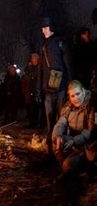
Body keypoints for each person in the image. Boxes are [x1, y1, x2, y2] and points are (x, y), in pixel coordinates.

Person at [38, 17, 73, 154]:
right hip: (49, 90)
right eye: (42, 28)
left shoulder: (60, 42)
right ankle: (51, 149)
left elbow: (69, 66)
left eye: (45, 27)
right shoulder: (43, 45)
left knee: (61, 119)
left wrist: (70, 85)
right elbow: (41, 69)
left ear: (51, 28)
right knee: (50, 121)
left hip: (61, 89)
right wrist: (38, 88)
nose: (43, 30)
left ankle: (60, 148)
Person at [52, 80, 95, 179]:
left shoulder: (91, 105)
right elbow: (60, 124)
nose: (76, 98)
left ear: (83, 91)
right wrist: (57, 137)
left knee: (68, 166)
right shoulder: (68, 107)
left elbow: (90, 131)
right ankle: (65, 168)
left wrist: (74, 141)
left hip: (88, 145)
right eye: (72, 96)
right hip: (74, 142)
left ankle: (84, 170)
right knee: (57, 141)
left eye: (78, 94)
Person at [22, 54, 42, 128]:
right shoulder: (31, 67)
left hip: (37, 90)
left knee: (36, 108)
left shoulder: (39, 67)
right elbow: (27, 76)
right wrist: (29, 67)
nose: (32, 60)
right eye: (32, 58)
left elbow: (32, 76)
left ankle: (37, 123)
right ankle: (32, 123)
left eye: (34, 58)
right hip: (32, 90)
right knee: (32, 108)